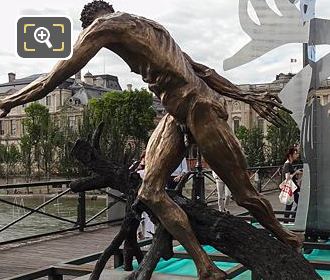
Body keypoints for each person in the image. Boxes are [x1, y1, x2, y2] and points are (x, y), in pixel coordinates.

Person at [0, 1, 302, 278]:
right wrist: (244, 95)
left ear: (91, 23)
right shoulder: (154, 30)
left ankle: (287, 238)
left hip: (198, 107)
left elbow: (54, 76)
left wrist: (11, 100)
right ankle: (205, 266)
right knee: (150, 191)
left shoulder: (103, 26)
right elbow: (204, 70)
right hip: (177, 113)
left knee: (244, 195)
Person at [282, 147, 303, 221]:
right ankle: (290, 220)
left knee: (291, 204)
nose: (297, 155)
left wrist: (297, 174)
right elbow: (287, 178)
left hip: (293, 188)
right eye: (295, 153)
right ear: (290, 155)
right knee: (298, 203)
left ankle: (289, 220)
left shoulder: (289, 164)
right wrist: (296, 172)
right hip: (291, 188)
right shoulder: (287, 164)